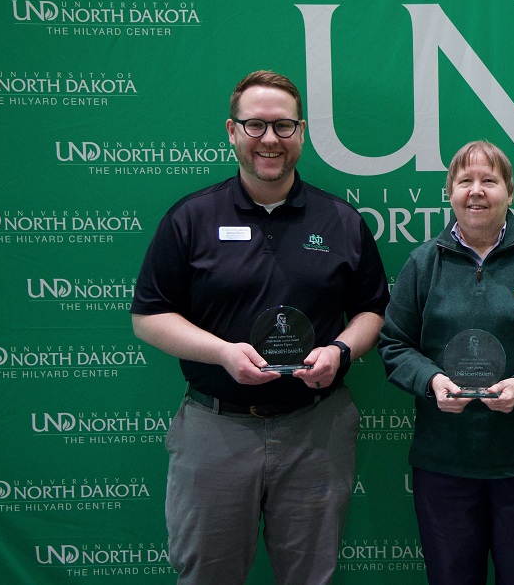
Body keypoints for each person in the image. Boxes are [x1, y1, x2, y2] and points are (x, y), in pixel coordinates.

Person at [131, 70, 389, 585]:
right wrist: (222, 352)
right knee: (207, 575)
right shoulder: (190, 218)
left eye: (283, 126)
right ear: (231, 132)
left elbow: (372, 311)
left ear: (302, 132)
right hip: (216, 428)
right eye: (255, 126)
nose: (269, 139)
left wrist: (340, 349)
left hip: (315, 429)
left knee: (311, 576)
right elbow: (149, 317)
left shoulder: (341, 220)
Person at [379, 140, 514, 584]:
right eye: (465, 181)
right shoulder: (423, 263)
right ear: (449, 193)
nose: (476, 191)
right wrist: (431, 380)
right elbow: (394, 345)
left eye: (489, 181)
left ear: (510, 193)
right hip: (445, 465)